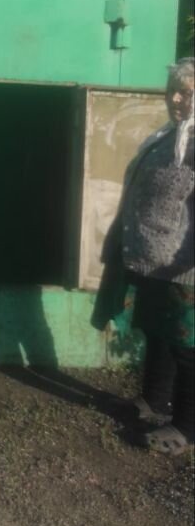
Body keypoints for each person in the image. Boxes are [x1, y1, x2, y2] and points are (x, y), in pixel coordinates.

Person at [94, 57, 194, 455]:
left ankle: (187, 427)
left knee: (188, 346)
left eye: (186, 92)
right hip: (153, 260)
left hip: (185, 267)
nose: (175, 99)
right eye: (172, 90)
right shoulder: (166, 137)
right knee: (157, 331)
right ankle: (154, 399)